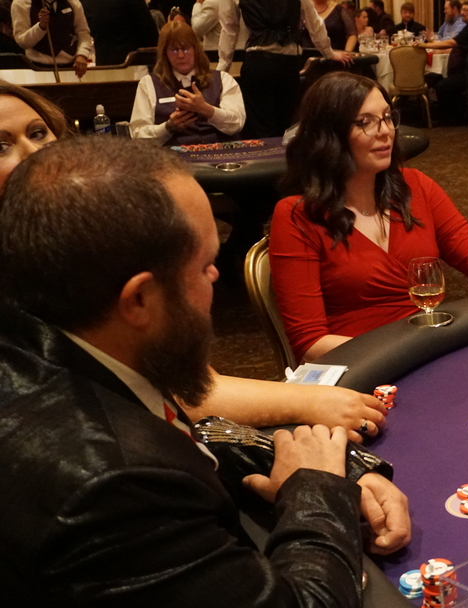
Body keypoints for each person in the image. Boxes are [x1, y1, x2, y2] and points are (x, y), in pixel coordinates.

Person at [0, 133, 399, 604]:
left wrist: (331, 466)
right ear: (139, 300)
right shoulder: (115, 490)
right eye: (205, 264)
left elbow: (195, 432)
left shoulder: (68, 339)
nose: (215, 277)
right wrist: (319, 491)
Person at [1, 79, 399, 452]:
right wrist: (310, 412)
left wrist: (314, 403)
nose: (33, 154)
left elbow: (183, 386)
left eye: (38, 133)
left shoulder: (81, 245)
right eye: (1, 146)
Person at [269, 72, 468, 363]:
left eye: (387, 117)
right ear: (329, 135)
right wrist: (404, 351)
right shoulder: (296, 216)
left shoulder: (415, 186)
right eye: (365, 122)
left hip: (421, 353)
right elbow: (309, 342)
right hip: (357, 366)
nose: (385, 131)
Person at [217, 0, 353, 139]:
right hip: (288, 64)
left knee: (262, 128)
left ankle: (268, 152)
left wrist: (222, 68)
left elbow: (229, 29)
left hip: (259, 63)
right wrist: (328, 52)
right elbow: (314, 22)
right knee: (286, 126)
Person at [131, 21, 246, 146]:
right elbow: (138, 136)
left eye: (186, 49)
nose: (181, 55)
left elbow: (236, 124)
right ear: (165, 53)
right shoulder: (148, 84)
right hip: (172, 156)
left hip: (220, 154)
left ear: (196, 49)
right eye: (174, 50)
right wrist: (168, 127)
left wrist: (206, 109)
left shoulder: (223, 79)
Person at [417, 0, 468, 124]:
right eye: (462, 10)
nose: (462, 13)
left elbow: (451, 42)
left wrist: (425, 45)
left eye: (465, 10)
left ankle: (452, 118)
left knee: (443, 86)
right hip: (465, 70)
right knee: (432, 77)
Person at [10, 0, 91, 76]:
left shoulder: (73, 2)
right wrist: (41, 27)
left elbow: (83, 32)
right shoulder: (21, 3)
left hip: (71, 67)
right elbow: (23, 42)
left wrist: (82, 54)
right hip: (37, 69)